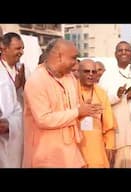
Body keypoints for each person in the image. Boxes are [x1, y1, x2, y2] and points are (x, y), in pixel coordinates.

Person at [23, 38, 103, 168]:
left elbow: (73, 110)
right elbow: (44, 119)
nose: (76, 64)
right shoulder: (37, 80)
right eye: (73, 58)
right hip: (46, 155)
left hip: (71, 152)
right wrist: (78, 112)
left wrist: (85, 111)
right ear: (59, 57)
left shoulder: (69, 77)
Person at [99, 41, 131, 168]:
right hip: (117, 126)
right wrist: (118, 95)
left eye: (127, 50)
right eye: (120, 50)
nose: (124, 52)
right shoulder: (107, 75)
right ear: (115, 54)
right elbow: (101, 100)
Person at [78, 59, 115, 168]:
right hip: (76, 145)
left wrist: (110, 145)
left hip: (96, 146)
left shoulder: (101, 93)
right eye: (86, 71)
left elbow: (109, 122)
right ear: (78, 72)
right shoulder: (71, 90)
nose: (90, 75)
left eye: (93, 72)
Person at [0, 32, 24, 167]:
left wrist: (9, 124)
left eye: (22, 48)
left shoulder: (23, 70)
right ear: (5, 48)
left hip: (12, 137)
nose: (21, 52)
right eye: (17, 48)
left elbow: (20, 108)